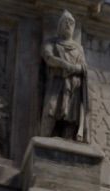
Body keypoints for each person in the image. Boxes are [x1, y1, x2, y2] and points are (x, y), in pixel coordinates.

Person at [39, 10, 89, 141]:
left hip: (74, 87)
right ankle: (44, 139)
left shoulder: (79, 48)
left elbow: (83, 67)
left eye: (71, 22)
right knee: (51, 110)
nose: (68, 24)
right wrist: (64, 64)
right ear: (59, 26)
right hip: (56, 84)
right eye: (65, 22)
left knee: (71, 118)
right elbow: (49, 58)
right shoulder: (51, 43)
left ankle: (67, 142)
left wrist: (72, 67)